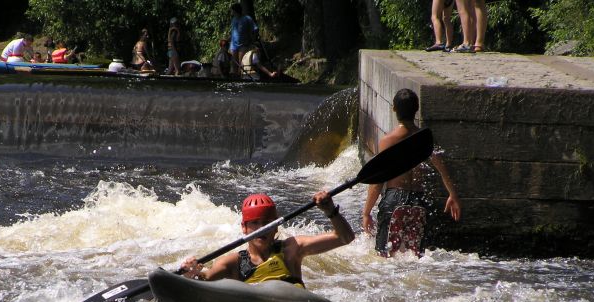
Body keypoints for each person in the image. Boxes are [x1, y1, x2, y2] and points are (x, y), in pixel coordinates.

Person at [362, 88, 461, 257]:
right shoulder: (426, 138)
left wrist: (366, 213)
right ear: (416, 109)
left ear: (394, 108)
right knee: (416, 257)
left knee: (384, 257)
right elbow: (443, 170)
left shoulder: (388, 141)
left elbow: (378, 181)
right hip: (419, 202)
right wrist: (453, 195)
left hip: (394, 201)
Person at [180, 192, 354, 287]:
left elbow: (344, 237)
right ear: (244, 228)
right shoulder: (233, 263)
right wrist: (191, 273)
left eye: (266, 223)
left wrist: (330, 210)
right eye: (255, 223)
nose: (261, 228)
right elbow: (204, 280)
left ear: (276, 227)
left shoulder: (292, 250)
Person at [229, 3, 258, 76]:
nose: (231, 12)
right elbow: (233, 31)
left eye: (232, 10)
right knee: (233, 63)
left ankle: (241, 77)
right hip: (233, 45)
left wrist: (253, 40)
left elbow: (255, 29)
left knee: (241, 63)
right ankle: (234, 77)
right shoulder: (233, 19)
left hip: (243, 44)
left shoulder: (247, 18)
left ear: (235, 11)